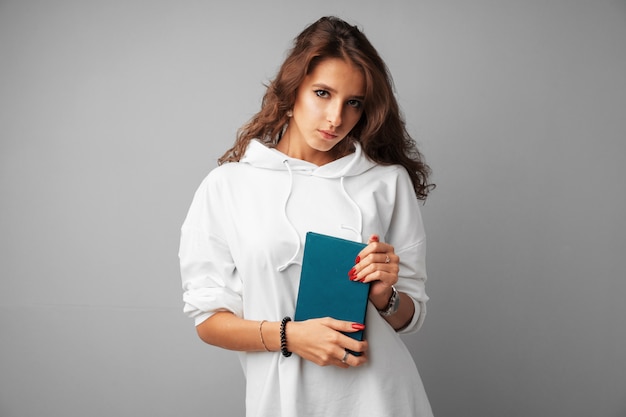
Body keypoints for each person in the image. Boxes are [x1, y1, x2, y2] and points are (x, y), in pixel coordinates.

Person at [179, 16, 435, 417]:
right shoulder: (227, 186)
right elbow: (208, 320)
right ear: (292, 88)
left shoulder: (386, 182)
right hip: (282, 404)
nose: (336, 118)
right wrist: (291, 336)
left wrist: (385, 294)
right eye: (322, 93)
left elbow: (410, 316)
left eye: (353, 102)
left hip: (383, 400)